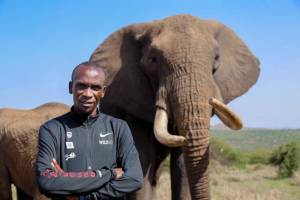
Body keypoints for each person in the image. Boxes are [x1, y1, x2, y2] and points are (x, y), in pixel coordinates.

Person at [35, 61, 143, 200]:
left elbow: (135, 179)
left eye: (95, 87)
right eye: (81, 86)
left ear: (103, 92)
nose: (88, 94)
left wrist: (83, 197)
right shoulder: (51, 130)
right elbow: (46, 182)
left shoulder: (118, 127)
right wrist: (110, 174)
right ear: (70, 87)